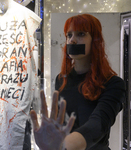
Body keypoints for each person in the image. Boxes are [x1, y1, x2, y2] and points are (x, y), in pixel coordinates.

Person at [30, 14, 125, 150]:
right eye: (69, 35)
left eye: (80, 34)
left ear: (95, 40)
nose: (72, 40)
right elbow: (60, 123)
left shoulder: (113, 84)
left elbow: (99, 123)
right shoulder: (61, 80)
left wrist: (65, 144)